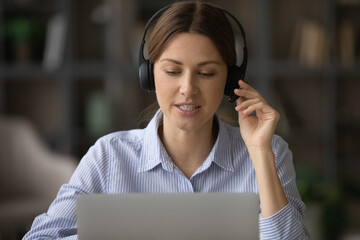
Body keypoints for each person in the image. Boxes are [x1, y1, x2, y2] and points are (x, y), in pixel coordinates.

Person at [23, 1, 309, 239]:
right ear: (149, 75)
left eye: (206, 73)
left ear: (230, 79)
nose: (188, 88)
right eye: (173, 71)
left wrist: (260, 153)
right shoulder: (108, 157)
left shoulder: (270, 152)